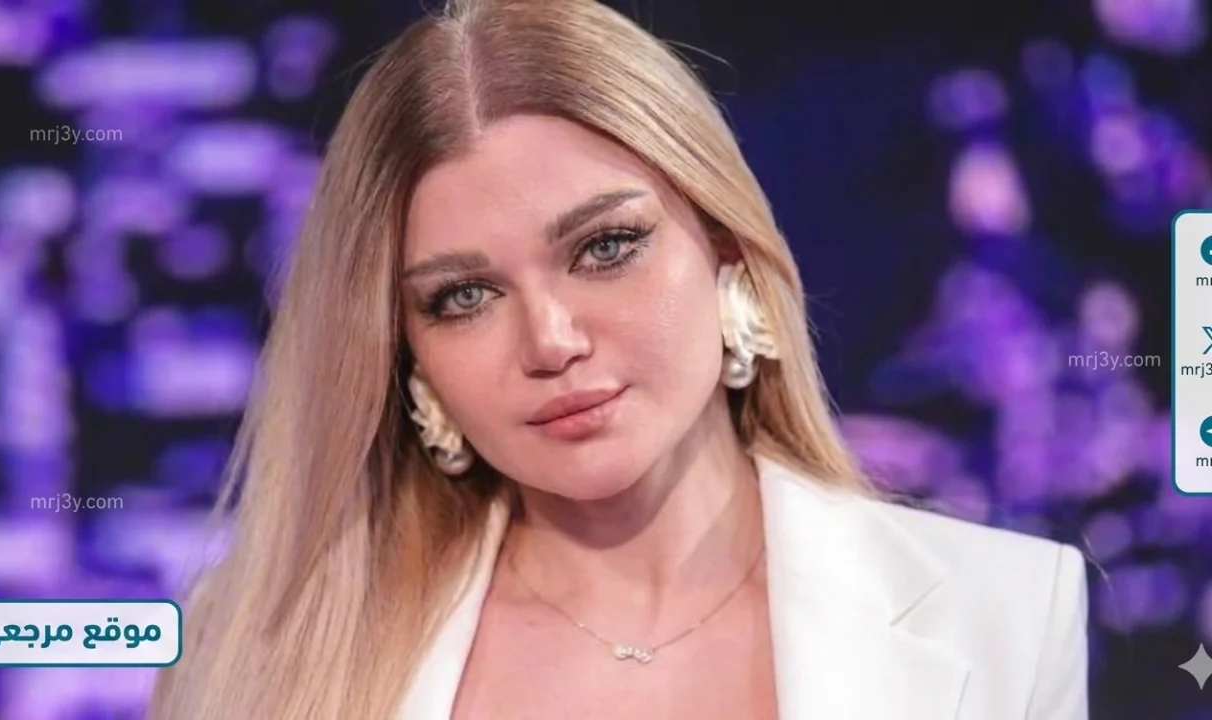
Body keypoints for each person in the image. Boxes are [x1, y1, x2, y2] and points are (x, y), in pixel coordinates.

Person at [148, 0, 1090, 718]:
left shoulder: (1002, 613)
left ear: (725, 247)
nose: (551, 342)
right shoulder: (253, 655)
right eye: (463, 297)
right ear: (407, 357)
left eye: (605, 248)